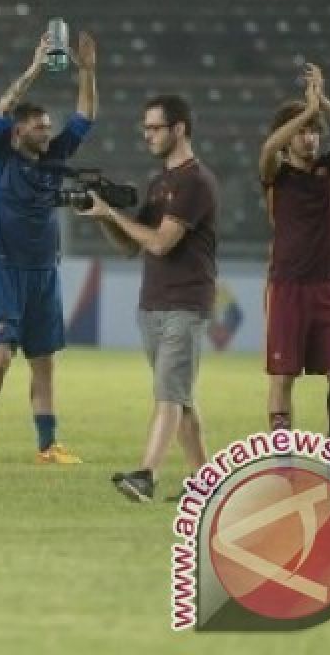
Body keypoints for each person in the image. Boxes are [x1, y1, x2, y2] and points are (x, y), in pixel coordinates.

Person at [0, 31, 97, 465]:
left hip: (44, 273)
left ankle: (46, 446)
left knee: (44, 366)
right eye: (38, 125)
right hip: (5, 269)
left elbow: (85, 115)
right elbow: (1, 107)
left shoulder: (55, 157)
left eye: (48, 126)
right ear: (18, 132)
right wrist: (36, 66)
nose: (47, 130)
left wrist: (87, 71)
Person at [78, 95, 219, 503]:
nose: (147, 135)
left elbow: (159, 243)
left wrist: (114, 214)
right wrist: (104, 216)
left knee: (169, 395)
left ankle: (146, 475)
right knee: (180, 397)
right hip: (154, 303)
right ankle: (205, 482)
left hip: (184, 303)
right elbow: (129, 246)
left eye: (155, 128)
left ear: (179, 129)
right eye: (145, 128)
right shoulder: (161, 182)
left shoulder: (194, 180)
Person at [258, 64, 330, 441]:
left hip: (324, 286)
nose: (309, 138)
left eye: (314, 132)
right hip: (285, 286)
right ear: (289, 137)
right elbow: (269, 148)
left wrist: (322, 103)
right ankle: (282, 457)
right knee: (283, 377)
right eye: (303, 132)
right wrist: (306, 111)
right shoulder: (276, 174)